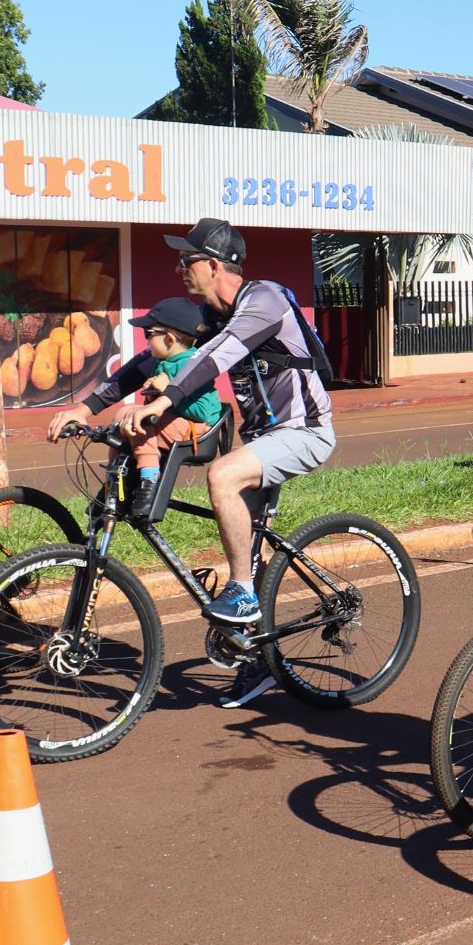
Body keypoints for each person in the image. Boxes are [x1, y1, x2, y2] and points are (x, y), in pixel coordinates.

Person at [50, 218, 336, 706]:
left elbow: (215, 359)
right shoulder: (211, 315)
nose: (179, 268)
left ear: (216, 265)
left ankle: (242, 592)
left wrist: (164, 402)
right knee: (247, 540)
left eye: (188, 260)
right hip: (261, 437)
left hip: (304, 430)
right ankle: (258, 659)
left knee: (223, 475)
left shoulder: (262, 300)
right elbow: (152, 362)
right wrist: (87, 406)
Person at [77, 298, 232, 518]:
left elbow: (203, 413)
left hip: (198, 431)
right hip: (173, 426)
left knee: (140, 421)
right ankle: (114, 482)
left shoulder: (191, 364)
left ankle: (148, 482)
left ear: (169, 339)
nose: (147, 339)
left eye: (148, 333)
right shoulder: (163, 362)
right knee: (123, 414)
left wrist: (166, 391)